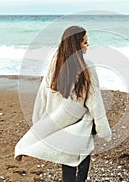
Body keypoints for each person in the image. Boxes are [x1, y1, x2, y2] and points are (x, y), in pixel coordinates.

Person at [15, 26, 112, 182]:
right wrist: (103, 129)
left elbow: (44, 94)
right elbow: (95, 102)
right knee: (82, 148)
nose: (88, 46)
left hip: (59, 120)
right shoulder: (88, 67)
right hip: (80, 121)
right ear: (76, 44)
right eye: (85, 43)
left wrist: (40, 121)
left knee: (68, 156)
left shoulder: (54, 64)